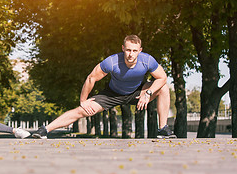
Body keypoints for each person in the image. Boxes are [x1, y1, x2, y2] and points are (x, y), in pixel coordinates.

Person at [32, 35, 176, 139]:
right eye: (128, 50)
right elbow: (91, 78)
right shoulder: (112, 62)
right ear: (123, 48)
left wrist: (148, 92)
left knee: (163, 88)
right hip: (112, 94)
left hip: (137, 92)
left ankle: (162, 129)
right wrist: (83, 100)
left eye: (134, 51)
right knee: (82, 111)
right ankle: (45, 129)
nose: (130, 54)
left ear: (140, 50)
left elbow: (162, 77)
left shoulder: (147, 60)